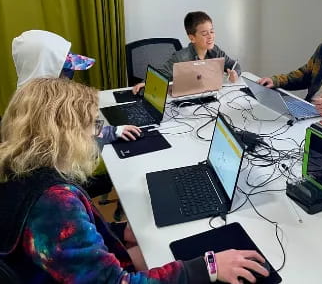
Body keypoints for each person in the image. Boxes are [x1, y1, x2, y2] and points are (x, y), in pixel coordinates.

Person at [0, 78, 269, 283]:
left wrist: (119, 232)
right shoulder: (54, 206)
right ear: (65, 134)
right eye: (91, 125)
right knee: (174, 251)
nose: (97, 133)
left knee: (154, 243)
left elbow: (71, 248)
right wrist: (208, 267)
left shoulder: (23, 172)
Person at [12, 29, 141, 143]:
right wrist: (115, 131)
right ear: (47, 69)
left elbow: (78, 125)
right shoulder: (38, 108)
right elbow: (76, 136)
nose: (69, 77)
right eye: (66, 70)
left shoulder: (31, 95)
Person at [132, 11, 241, 94]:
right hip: (186, 103)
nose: (210, 36)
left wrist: (235, 73)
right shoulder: (181, 58)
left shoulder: (215, 51)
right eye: (204, 34)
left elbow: (234, 65)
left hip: (210, 97)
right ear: (192, 38)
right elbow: (161, 74)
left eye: (212, 31)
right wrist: (146, 83)